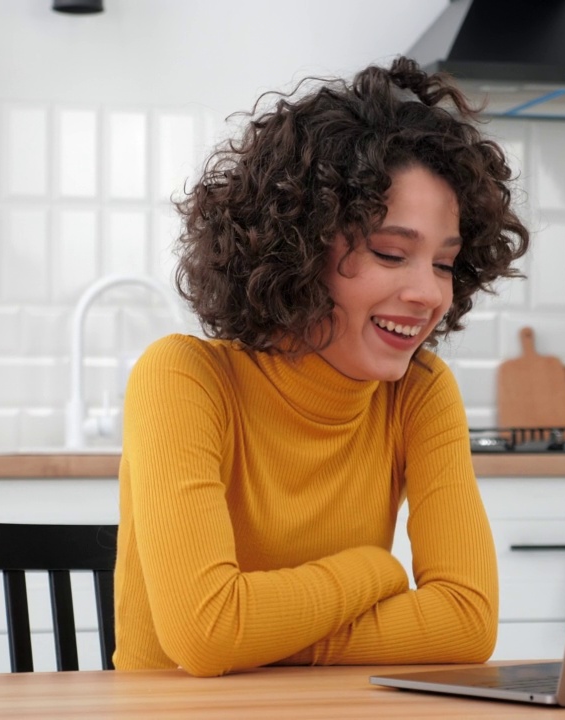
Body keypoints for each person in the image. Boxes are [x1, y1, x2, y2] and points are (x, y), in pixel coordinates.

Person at [114, 56, 530, 676]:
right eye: (392, 253)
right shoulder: (184, 377)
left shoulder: (419, 393)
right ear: (298, 249)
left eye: (444, 263)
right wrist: (376, 570)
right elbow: (205, 634)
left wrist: (261, 638)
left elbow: (467, 624)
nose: (429, 294)